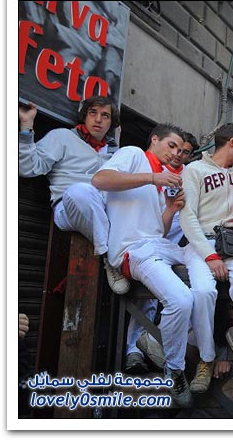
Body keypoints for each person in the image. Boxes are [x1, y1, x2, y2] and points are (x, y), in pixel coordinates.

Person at [91, 123, 193, 408]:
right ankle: (174, 370)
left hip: (156, 244)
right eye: (171, 146)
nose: (175, 153)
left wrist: (171, 209)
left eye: (179, 150)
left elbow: (156, 231)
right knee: (181, 300)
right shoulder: (135, 155)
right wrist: (152, 178)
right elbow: (100, 179)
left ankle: (152, 338)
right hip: (132, 251)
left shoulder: (156, 180)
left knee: (208, 267)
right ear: (155, 139)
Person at [179, 123, 233, 399]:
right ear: (231, 142)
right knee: (203, 290)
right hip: (202, 243)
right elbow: (187, 217)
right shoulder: (194, 170)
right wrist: (210, 255)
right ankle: (206, 358)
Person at [18, 97, 129, 294]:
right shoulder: (62, 137)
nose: (98, 119)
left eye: (105, 116)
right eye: (93, 113)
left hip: (104, 210)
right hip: (68, 206)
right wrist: (27, 125)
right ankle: (110, 259)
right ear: (84, 116)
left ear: (111, 123)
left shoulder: (114, 152)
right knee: (80, 191)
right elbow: (27, 167)